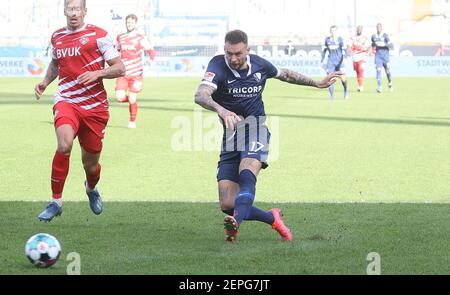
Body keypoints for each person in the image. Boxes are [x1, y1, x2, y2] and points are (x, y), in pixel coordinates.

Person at [194, 30, 341, 242]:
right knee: (227, 204)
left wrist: (317, 83)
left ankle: (237, 224)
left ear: (248, 50)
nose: (233, 58)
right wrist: (222, 110)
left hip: (256, 128)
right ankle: (272, 217)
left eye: (238, 53)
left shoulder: (260, 65)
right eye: (228, 53)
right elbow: (200, 94)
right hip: (230, 136)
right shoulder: (217, 65)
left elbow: (286, 74)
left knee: (247, 173)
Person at [34, 0, 125, 221]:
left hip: (95, 107)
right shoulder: (57, 37)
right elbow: (56, 64)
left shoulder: (99, 35)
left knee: (90, 164)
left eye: (78, 9)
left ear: (85, 11)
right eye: (70, 9)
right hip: (67, 101)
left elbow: (120, 67)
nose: (74, 13)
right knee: (64, 144)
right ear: (64, 11)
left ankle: (91, 188)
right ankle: (56, 202)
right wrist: (45, 82)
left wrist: (97, 74)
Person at [115, 14, 156, 129]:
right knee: (119, 97)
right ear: (125, 23)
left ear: (135, 24)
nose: (129, 24)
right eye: (128, 22)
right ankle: (132, 103)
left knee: (132, 97)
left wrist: (150, 62)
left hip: (136, 75)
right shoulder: (120, 37)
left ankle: (132, 121)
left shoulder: (140, 38)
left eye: (131, 23)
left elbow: (151, 52)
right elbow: (116, 51)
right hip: (123, 74)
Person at [321, 25, 349, 100]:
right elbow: (324, 51)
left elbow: (345, 50)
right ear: (330, 31)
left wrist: (345, 59)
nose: (333, 32)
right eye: (331, 30)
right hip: (330, 62)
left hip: (340, 62)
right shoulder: (327, 40)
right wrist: (322, 61)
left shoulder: (340, 39)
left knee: (342, 78)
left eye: (334, 30)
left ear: (337, 31)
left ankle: (346, 91)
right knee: (329, 78)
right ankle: (331, 95)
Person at [371, 23, 394, 93]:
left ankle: (390, 82)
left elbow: (392, 46)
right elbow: (373, 44)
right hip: (378, 57)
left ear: (382, 28)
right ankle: (379, 87)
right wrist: (371, 48)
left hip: (385, 57)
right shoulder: (373, 36)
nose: (378, 29)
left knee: (387, 71)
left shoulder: (385, 36)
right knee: (378, 71)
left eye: (379, 27)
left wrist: (384, 45)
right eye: (377, 27)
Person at [348, 25, 370, 92]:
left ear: (362, 30)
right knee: (357, 71)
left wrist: (366, 51)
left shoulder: (365, 37)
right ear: (356, 30)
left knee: (360, 70)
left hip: (362, 56)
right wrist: (350, 51)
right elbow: (349, 45)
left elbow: (368, 46)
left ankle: (360, 86)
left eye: (360, 29)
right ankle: (359, 83)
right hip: (355, 56)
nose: (359, 30)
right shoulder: (353, 37)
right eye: (358, 29)